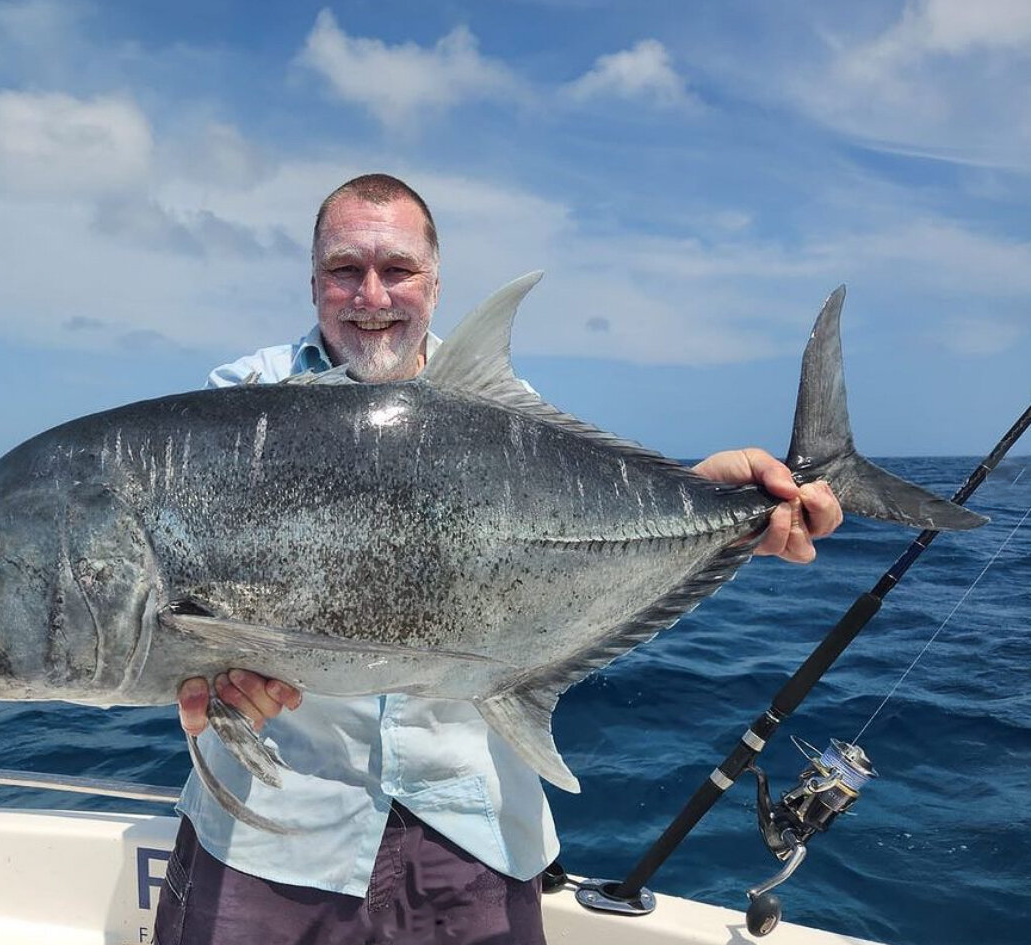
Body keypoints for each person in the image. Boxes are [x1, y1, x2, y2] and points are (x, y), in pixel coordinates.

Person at [152, 174, 842, 945]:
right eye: (346, 269)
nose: (371, 295)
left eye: (398, 270)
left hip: (473, 827)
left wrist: (707, 505)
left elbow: (589, 544)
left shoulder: (503, 415)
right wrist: (197, 673)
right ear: (314, 283)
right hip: (271, 833)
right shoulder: (239, 405)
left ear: (436, 285)